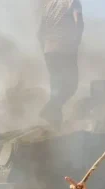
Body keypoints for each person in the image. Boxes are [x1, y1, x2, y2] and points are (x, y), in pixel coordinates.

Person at [37, 0, 84, 128]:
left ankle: (55, 122)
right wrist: (76, 42)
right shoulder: (73, 2)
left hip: (49, 50)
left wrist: (45, 48)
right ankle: (49, 110)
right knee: (71, 85)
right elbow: (78, 23)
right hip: (65, 49)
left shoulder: (48, 4)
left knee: (56, 87)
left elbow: (40, 32)